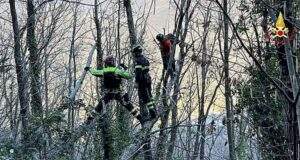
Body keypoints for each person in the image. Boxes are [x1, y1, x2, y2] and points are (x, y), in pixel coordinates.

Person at [85, 55, 144, 124]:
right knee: (129, 106)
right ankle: (140, 118)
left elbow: (94, 72)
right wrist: (125, 68)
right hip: (118, 93)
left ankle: (89, 120)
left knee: (99, 106)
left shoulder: (104, 71)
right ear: (113, 63)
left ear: (106, 63)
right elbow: (129, 76)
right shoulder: (117, 71)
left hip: (108, 93)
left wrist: (89, 68)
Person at [133, 45, 157, 120]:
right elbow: (145, 69)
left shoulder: (138, 61)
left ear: (136, 53)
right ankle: (154, 110)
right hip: (148, 79)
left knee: (146, 98)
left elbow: (138, 73)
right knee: (150, 94)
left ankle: (152, 113)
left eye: (134, 53)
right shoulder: (145, 59)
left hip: (142, 81)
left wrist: (136, 82)